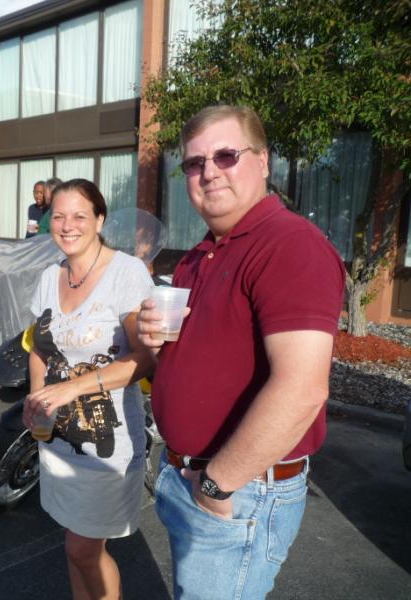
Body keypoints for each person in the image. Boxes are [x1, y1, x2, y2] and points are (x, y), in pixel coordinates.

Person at [137, 105, 345, 599]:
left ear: (264, 160)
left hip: (237, 489)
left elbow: (302, 389)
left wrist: (216, 485)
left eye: (226, 155)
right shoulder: (200, 254)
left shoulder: (289, 245)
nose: (209, 172)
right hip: (189, 475)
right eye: (194, 163)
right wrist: (157, 342)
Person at [24, 179, 155, 599]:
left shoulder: (126, 273)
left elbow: (145, 358)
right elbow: (38, 347)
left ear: (99, 220)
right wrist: (37, 397)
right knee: (74, 545)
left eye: (79, 216)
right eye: (59, 216)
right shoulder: (50, 276)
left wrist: (72, 389)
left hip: (107, 446)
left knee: (84, 549)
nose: (68, 226)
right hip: (58, 439)